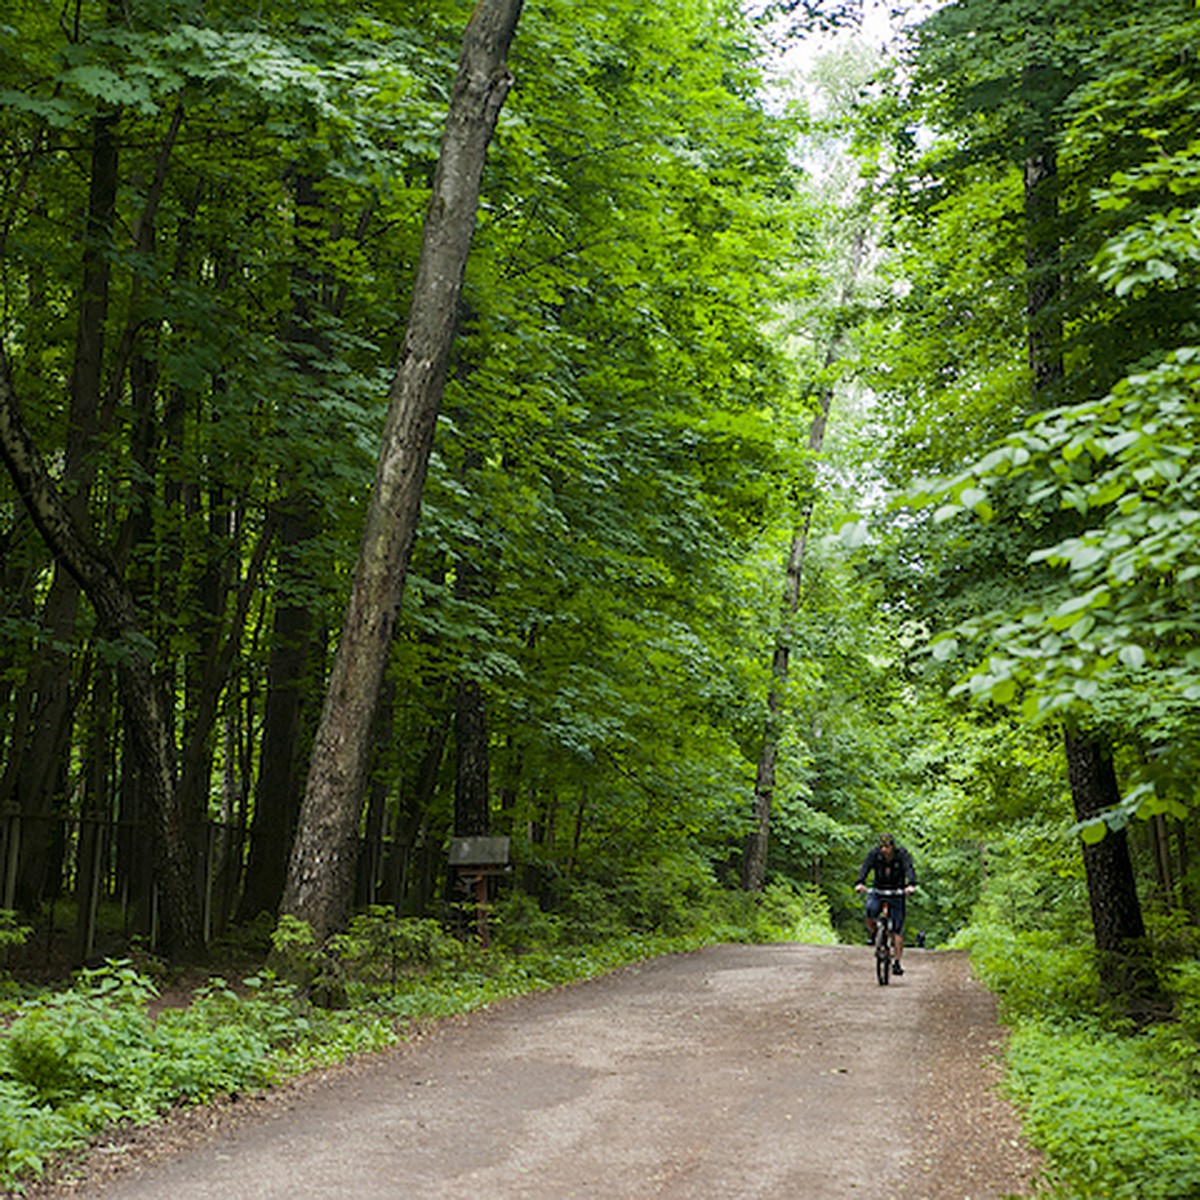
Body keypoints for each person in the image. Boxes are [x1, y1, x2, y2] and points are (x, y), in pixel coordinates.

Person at [855, 832, 917, 975]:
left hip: (897, 892)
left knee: (897, 928)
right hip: (879, 890)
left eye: (887, 847)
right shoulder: (874, 854)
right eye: (882, 847)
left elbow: (909, 869)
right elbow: (865, 867)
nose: (884, 850)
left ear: (893, 847)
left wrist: (911, 885)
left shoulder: (902, 855)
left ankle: (896, 962)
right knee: (870, 911)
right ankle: (875, 935)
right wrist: (860, 883)